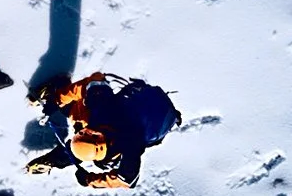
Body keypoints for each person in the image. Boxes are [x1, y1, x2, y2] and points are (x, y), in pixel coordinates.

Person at [25, 72, 179, 189]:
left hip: (135, 121)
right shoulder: (104, 109)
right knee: (78, 114)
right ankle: (58, 90)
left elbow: (127, 180)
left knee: (78, 118)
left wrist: (90, 180)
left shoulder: (129, 146)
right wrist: (58, 99)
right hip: (129, 116)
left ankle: (54, 159)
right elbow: (96, 79)